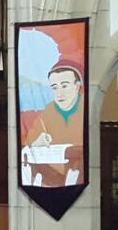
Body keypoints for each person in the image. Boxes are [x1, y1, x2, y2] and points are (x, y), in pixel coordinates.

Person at [22, 59, 84, 187]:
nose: (59, 93)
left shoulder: (86, 108)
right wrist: (36, 143)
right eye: (54, 87)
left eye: (64, 86)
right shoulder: (48, 111)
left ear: (77, 86)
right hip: (51, 176)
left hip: (79, 174)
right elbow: (30, 144)